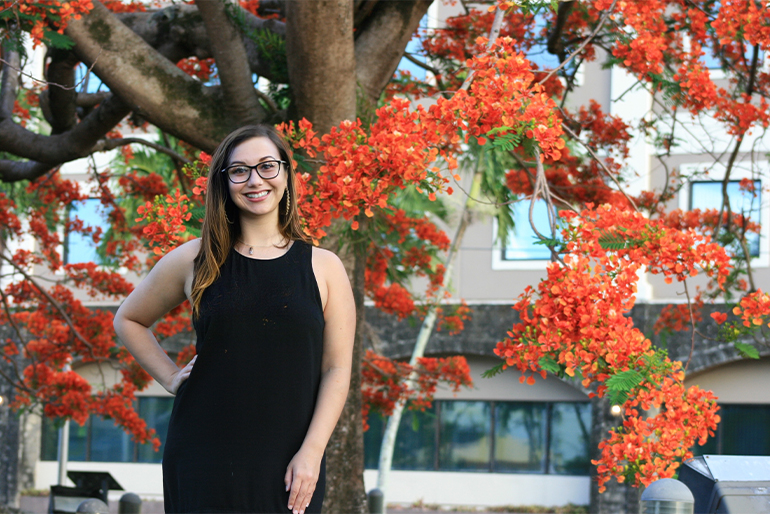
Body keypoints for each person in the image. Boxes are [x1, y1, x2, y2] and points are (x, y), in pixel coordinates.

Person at [113, 125, 355, 514]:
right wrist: (171, 377)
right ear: (224, 183)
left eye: (266, 166)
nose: (254, 180)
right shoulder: (194, 258)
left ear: (286, 174)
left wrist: (312, 452)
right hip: (201, 453)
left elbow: (336, 369)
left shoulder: (325, 267)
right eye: (239, 170)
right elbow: (129, 319)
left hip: (292, 462)